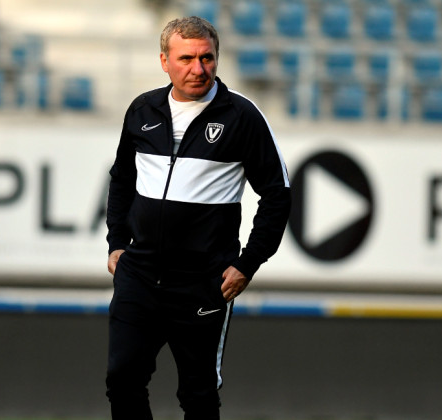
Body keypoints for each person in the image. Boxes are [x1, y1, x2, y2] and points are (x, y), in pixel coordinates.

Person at [105, 16, 291, 420]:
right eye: (186, 58)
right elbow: (121, 180)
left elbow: (278, 194)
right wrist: (116, 243)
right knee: (122, 379)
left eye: (207, 57)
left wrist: (247, 263)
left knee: (198, 394)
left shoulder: (241, 116)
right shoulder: (142, 109)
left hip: (203, 281)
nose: (198, 68)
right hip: (139, 273)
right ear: (164, 61)